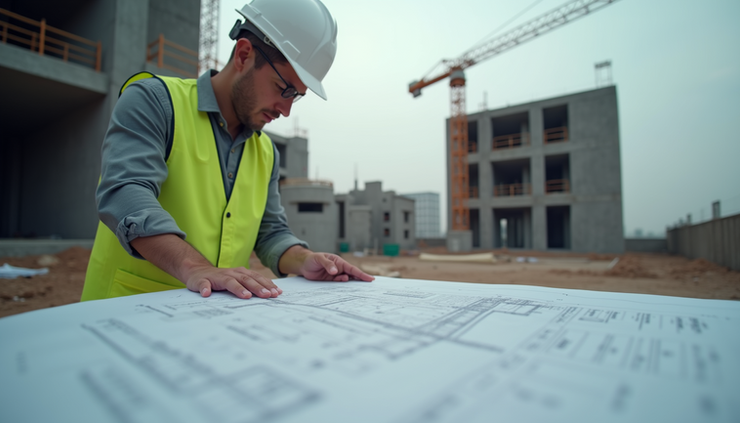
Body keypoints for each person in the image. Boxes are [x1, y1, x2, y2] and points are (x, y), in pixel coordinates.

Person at [81, 0, 373, 302]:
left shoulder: (266, 153)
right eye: (283, 88)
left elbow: (270, 232)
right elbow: (125, 193)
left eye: (296, 97)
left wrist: (304, 259)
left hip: (217, 327)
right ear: (244, 55)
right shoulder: (155, 102)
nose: (286, 110)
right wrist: (194, 267)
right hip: (125, 315)